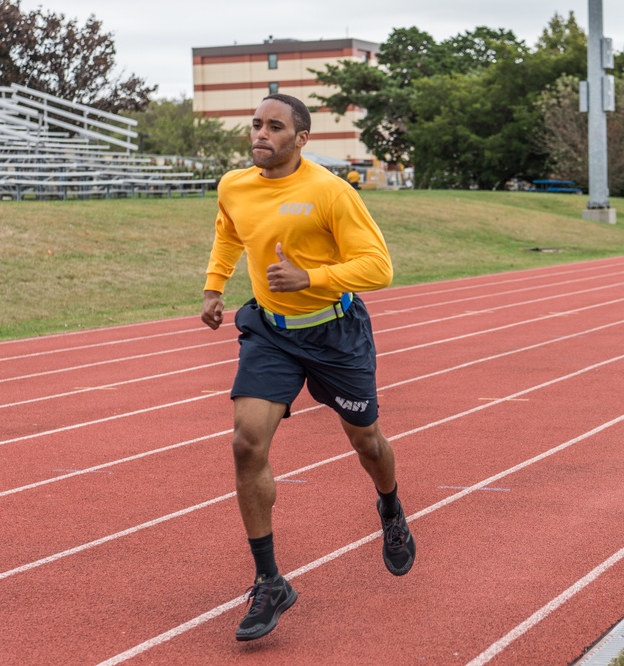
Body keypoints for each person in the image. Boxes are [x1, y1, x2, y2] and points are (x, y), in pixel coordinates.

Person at [201, 94, 415, 642]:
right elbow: (229, 231)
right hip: (270, 332)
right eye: (256, 124)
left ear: (301, 139)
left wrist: (312, 280)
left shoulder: (330, 192)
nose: (261, 134)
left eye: (275, 126)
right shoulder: (235, 185)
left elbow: (379, 267)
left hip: (335, 333)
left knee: (366, 442)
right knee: (246, 443)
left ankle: (390, 508)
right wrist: (214, 287)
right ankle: (269, 580)